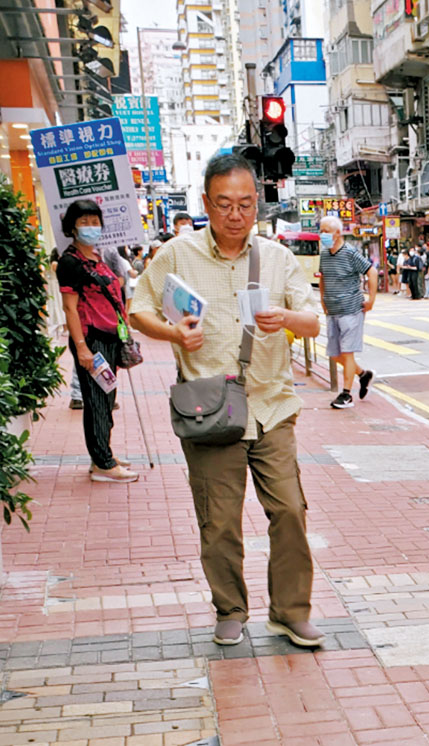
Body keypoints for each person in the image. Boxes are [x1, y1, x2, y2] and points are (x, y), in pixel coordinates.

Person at [130, 153, 324, 649]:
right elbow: (138, 310)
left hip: (271, 406)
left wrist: (284, 317)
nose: (235, 214)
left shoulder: (278, 258)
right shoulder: (177, 254)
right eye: (224, 204)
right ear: (205, 204)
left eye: (244, 203)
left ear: (256, 203)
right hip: (210, 409)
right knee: (219, 521)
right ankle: (230, 609)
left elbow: (312, 320)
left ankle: (289, 611)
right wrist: (172, 332)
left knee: (289, 512)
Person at [56, 200, 137, 483]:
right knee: (97, 402)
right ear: (72, 227)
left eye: (94, 221)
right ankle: (103, 463)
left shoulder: (97, 257)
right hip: (92, 342)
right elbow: (70, 308)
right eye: (84, 222)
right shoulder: (70, 262)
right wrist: (81, 347)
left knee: (107, 398)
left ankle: (103, 454)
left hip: (110, 338)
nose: (91, 227)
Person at [318, 215, 377, 409]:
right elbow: (323, 278)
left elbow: (372, 271)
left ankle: (346, 394)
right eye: (321, 230)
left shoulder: (350, 253)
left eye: (326, 231)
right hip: (332, 310)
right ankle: (363, 374)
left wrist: (371, 300)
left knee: (347, 352)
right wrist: (322, 300)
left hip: (351, 309)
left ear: (337, 232)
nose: (322, 234)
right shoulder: (325, 254)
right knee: (335, 354)